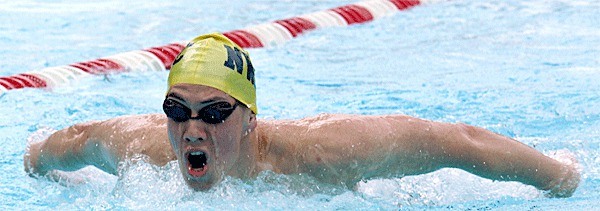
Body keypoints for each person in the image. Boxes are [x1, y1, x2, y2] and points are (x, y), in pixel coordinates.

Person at [24, 33, 580, 197]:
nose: (192, 128)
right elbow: (66, 141)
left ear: (250, 120)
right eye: (177, 110)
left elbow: (458, 140)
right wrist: (33, 162)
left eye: (214, 112)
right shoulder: (141, 152)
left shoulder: (321, 153)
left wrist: (559, 176)